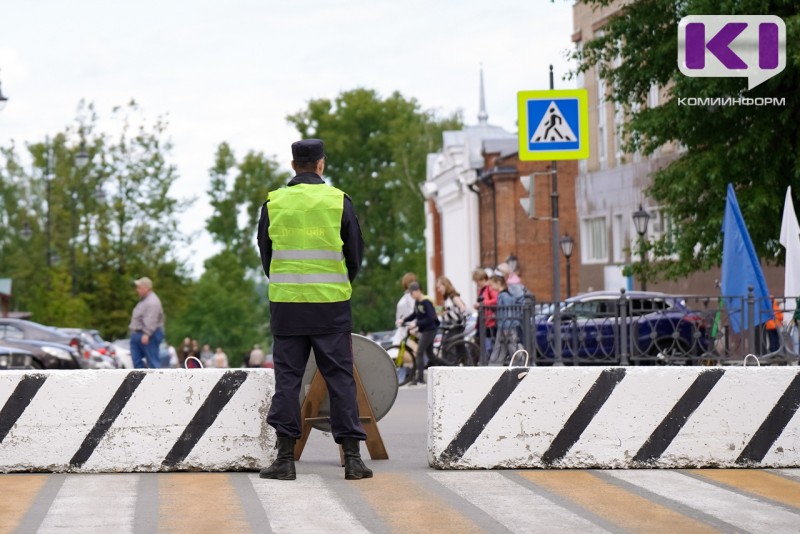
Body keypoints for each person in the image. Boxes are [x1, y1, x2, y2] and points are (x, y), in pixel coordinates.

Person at [256, 138, 372, 481]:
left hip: (288, 305)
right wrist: (335, 282)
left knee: (288, 379)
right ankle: (352, 459)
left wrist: (289, 283)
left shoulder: (274, 203)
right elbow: (355, 255)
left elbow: (267, 256)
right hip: (331, 306)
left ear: (293, 165)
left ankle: (284, 460)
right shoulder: (339, 201)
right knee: (340, 379)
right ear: (321, 164)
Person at [400, 282, 449, 384]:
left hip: (430, 330)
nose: (411, 296)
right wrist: (404, 320)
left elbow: (430, 317)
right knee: (431, 355)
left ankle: (420, 378)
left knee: (419, 352)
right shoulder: (418, 302)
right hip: (425, 330)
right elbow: (415, 314)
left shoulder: (426, 301)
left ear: (418, 291)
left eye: (412, 293)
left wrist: (416, 324)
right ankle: (451, 366)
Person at [128, 277, 165, 369]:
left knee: (153, 363)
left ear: (146, 288)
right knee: (137, 363)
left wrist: (147, 333)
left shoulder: (152, 301)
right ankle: (141, 382)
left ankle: (157, 382)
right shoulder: (144, 300)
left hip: (148, 335)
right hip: (138, 334)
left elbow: (151, 319)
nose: (137, 290)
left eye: (139, 287)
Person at [488, 275, 523, 365]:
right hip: (504, 325)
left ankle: (521, 362)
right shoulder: (504, 295)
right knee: (502, 346)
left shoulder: (504, 296)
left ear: (498, 283)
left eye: (492, 285)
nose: (491, 288)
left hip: (506, 325)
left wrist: (506, 326)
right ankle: (495, 364)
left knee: (509, 345)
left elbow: (508, 312)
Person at [472, 268, 497, 351]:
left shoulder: (489, 288)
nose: (477, 284)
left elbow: (496, 299)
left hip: (489, 320)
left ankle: (486, 361)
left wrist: (483, 304)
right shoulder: (481, 290)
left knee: (487, 342)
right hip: (481, 319)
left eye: (477, 281)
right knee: (478, 340)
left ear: (481, 279)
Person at [392, 272, 418, 346]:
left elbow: (398, 321)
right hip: (411, 331)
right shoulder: (412, 298)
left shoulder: (403, 299)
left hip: (405, 332)